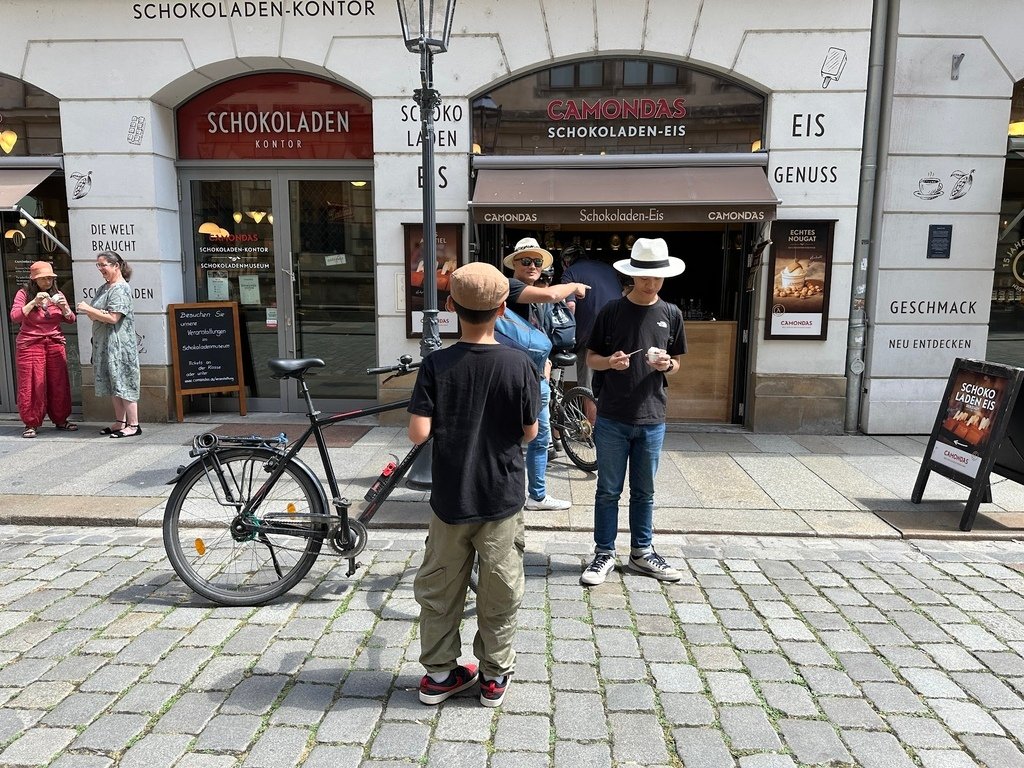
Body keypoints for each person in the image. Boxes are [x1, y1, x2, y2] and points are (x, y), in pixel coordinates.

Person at [408, 262, 540, 708]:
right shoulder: (520, 364)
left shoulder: (436, 364)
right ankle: (493, 676)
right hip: (501, 495)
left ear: (449, 307)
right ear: (504, 309)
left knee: (441, 585)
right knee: (500, 586)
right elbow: (530, 433)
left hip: (450, 497)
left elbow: (418, 434)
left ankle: (442, 673)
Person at [580, 237, 687, 587]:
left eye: (656, 277)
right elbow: (591, 358)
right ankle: (604, 553)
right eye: (644, 276)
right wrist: (610, 362)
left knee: (645, 492)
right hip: (612, 415)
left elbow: (677, 364)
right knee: (608, 490)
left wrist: (667, 365)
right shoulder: (611, 311)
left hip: (653, 416)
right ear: (632, 275)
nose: (650, 283)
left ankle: (642, 552)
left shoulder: (671, 313)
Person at [504, 238, 571, 512]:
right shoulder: (510, 287)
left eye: (537, 262)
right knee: (508, 439)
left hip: (537, 379)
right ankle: (506, 495)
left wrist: (548, 363)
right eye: (526, 261)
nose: (533, 266)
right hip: (511, 378)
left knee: (540, 438)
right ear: (515, 264)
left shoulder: (538, 296)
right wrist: (573, 287)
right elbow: (553, 295)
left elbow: (544, 336)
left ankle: (538, 496)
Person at [77, 251, 142, 438]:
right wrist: (95, 312)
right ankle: (120, 422)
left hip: (119, 346)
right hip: (105, 344)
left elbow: (113, 317)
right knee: (114, 383)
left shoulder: (120, 288)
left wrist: (91, 310)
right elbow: (95, 315)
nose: (100, 269)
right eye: (98, 265)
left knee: (124, 381)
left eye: (103, 265)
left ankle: (134, 425)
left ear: (116, 265)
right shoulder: (105, 287)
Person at [9, 260, 77, 438]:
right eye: (44, 278)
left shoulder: (57, 293)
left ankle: (61, 419)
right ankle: (31, 423)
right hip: (30, 344)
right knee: (32, 383)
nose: (48, 281)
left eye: (50, 278)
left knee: (58, 382)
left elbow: (71, 319)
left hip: (54, 342)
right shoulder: (23, 294)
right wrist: (33, 302)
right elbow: (15, 316)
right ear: (34, 280)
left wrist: (63, 307)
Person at [558, 243, 622, 392]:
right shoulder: (608, 269)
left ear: (566, 262)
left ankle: (590, 416)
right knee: (612, 380)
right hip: (617, 330)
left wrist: (566, 335)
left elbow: (570, 306)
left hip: (589, 334)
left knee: (588, 386)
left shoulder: (570, 273)